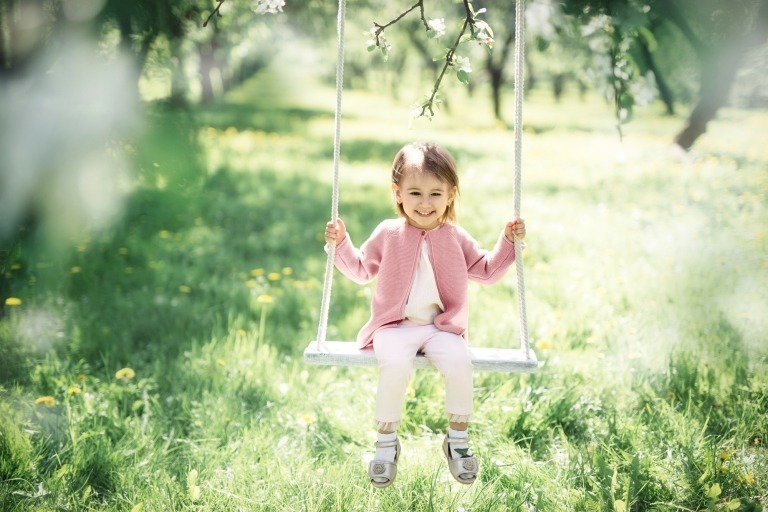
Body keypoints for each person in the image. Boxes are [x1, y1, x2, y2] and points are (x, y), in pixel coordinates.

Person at [323, 142, 526, 488]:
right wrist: (340, 243)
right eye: (415, 192)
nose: (425, 203)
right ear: (397, 193)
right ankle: (386, 444)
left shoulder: (455, 237)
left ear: (450, 195)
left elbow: (487, 271)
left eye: (436, 193)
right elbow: (359, 270)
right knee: (395, 366)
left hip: (441, 329)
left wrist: (508, 242)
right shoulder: (388, 234)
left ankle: (457, 442)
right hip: (394, 328)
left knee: (460, 363)